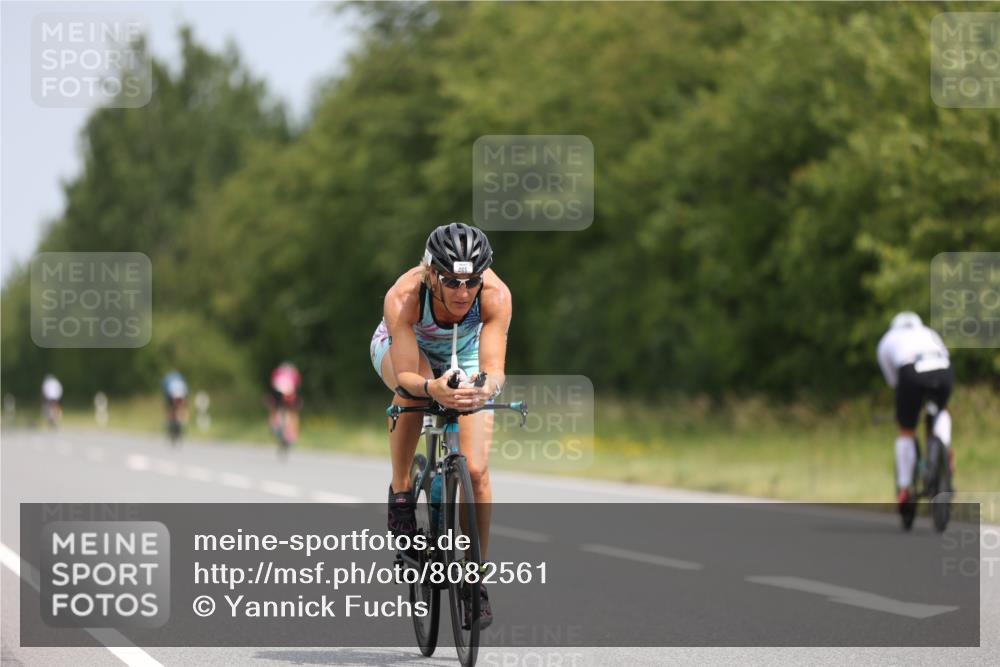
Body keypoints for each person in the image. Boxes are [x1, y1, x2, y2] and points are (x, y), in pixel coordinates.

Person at [370, 222, 511, 627]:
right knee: (414, 394)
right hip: (404, 353)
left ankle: (473, 578)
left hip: (462, 356)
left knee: (478, 471)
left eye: (471, 281)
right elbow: (404, 378)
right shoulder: (403, 296)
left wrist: (482, 391)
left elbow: (495, 370)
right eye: (451, 281)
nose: (462, 292)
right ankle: (400, 492)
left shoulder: (496, 296)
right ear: (432, 273)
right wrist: (433, 387)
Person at [876, 312, 954, 511]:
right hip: (943, 369)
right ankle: (944, 451)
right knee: (940, 411)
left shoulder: (887, 340)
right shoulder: (929, 332)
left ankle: (904, 488)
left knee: (906, 430)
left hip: (911, 371)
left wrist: (908, 410)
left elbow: (894, 382)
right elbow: (945, 354)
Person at [267, 362, 303, 450]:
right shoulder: (294, 373)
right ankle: (292, 434)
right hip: (290, 393)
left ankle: (274, 425)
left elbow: (272, 383)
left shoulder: (277, 372)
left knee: (274, 407)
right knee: (293, 412)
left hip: (277, 391)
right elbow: (297, 385)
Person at [161, 371, 189, 440]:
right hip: (178, 394)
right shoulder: (180, 381)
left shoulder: (168, 381)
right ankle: (179, 422)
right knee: (177, 408)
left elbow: (166, 394)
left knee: (173, 409)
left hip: (174, 394)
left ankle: (173, 422)